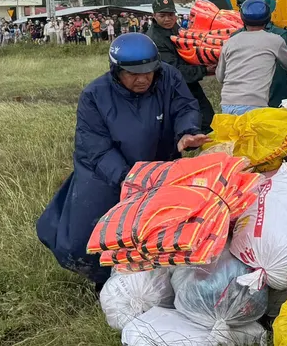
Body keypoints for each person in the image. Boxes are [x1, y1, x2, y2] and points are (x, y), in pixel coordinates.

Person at [36, 34, 206, 288]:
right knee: (86, 237)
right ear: (116, 70)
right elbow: (96, 147)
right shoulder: (94, 95)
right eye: (133, 74)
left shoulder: (168, 76)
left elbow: (184, 106)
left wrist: (187, 131)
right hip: (105, 171)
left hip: (156, 165)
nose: (143, 79)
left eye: (148, 72)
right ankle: (105, 283)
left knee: (157, 227)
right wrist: (128, 179)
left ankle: (155, 279)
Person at [216, 0, 287, 115]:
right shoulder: (275, 40)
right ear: (268, 18)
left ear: (243, 18)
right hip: (255, 104)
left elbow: (220, 77)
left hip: (227, 104)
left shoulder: (230, 42)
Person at [147, 0, 215, 132]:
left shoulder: (176, 29)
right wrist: (204, 70)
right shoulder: (155, 39)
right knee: (188, 122)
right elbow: (174, 70)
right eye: (162, 15)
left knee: (208, 119)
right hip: (171, 87)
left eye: (171, 15)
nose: (168, 19)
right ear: (154, 16)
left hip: (189, 82)